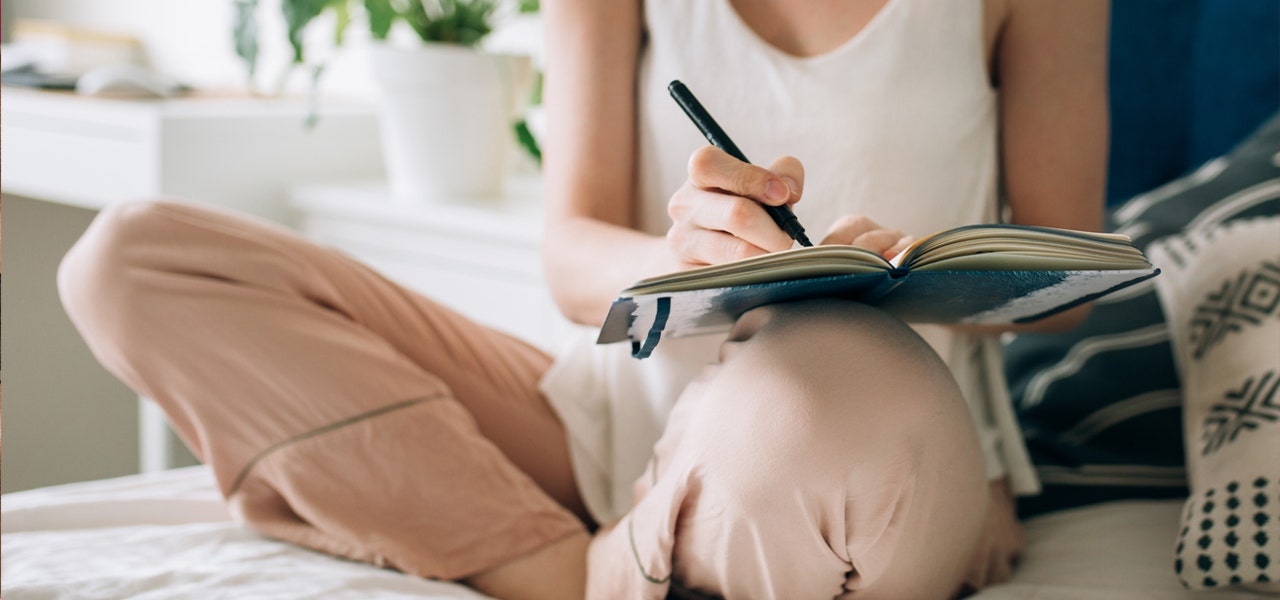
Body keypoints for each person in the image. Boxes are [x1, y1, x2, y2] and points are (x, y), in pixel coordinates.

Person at [58, 0, 1108, 598]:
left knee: (822, 360)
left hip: (842, 431)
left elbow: (1063, 284)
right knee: (132, 256)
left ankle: (569, 558)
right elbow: (567, 258)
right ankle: (567, 570)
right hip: (604, 422)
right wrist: (683, 260)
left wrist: (907, 264)